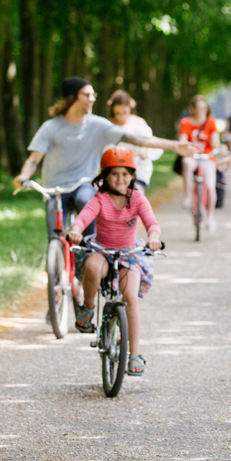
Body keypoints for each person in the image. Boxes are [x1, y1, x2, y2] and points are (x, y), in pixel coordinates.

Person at [14, 77, 193, 241]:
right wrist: (23, 175)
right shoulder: (50, 127)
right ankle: (57, 263)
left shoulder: (98, 125)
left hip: (84, 183)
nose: (93, 98)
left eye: (94, 94)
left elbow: (137, 139)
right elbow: (34, 159)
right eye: (88, 95)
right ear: (72, 98)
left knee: (86, 202)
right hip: (55, 187)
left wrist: (174, 146)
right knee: (54, 236)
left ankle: (89, 254)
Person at [67, 148, 162, 376]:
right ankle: (88, 308)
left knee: (130, 297)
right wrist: (76, 230)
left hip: (129, 253)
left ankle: (135, 353)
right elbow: (82, 219)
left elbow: (152, 224)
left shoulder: (138, 198)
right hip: (102, 250)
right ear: (105, 176)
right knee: (93, 266)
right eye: (114, 174)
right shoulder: (100, 199)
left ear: (132, 176)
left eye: (125, 174)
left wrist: (154, 238)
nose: (120, 179)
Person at [179, 94, 221, 231]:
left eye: (203, 108)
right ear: (192, 109)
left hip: (207, 157)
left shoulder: (211, 123)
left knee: (210, 186)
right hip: (192, 156)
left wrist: (219, 149)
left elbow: (215, 143)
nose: (200, 111)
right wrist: (183, 146)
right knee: (187, 163)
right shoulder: (186, 122)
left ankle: (210, 216)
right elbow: (183, 140)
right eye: (198, 108)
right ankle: (188, 196)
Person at [108, 90, 162, 192]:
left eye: (125, 112)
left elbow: (148, 141)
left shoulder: (139, 122)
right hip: (114, 171)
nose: (121, 116)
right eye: (117, 113)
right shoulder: (109, 124)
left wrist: (144, 149)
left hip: (137, 168)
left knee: (136, 194)